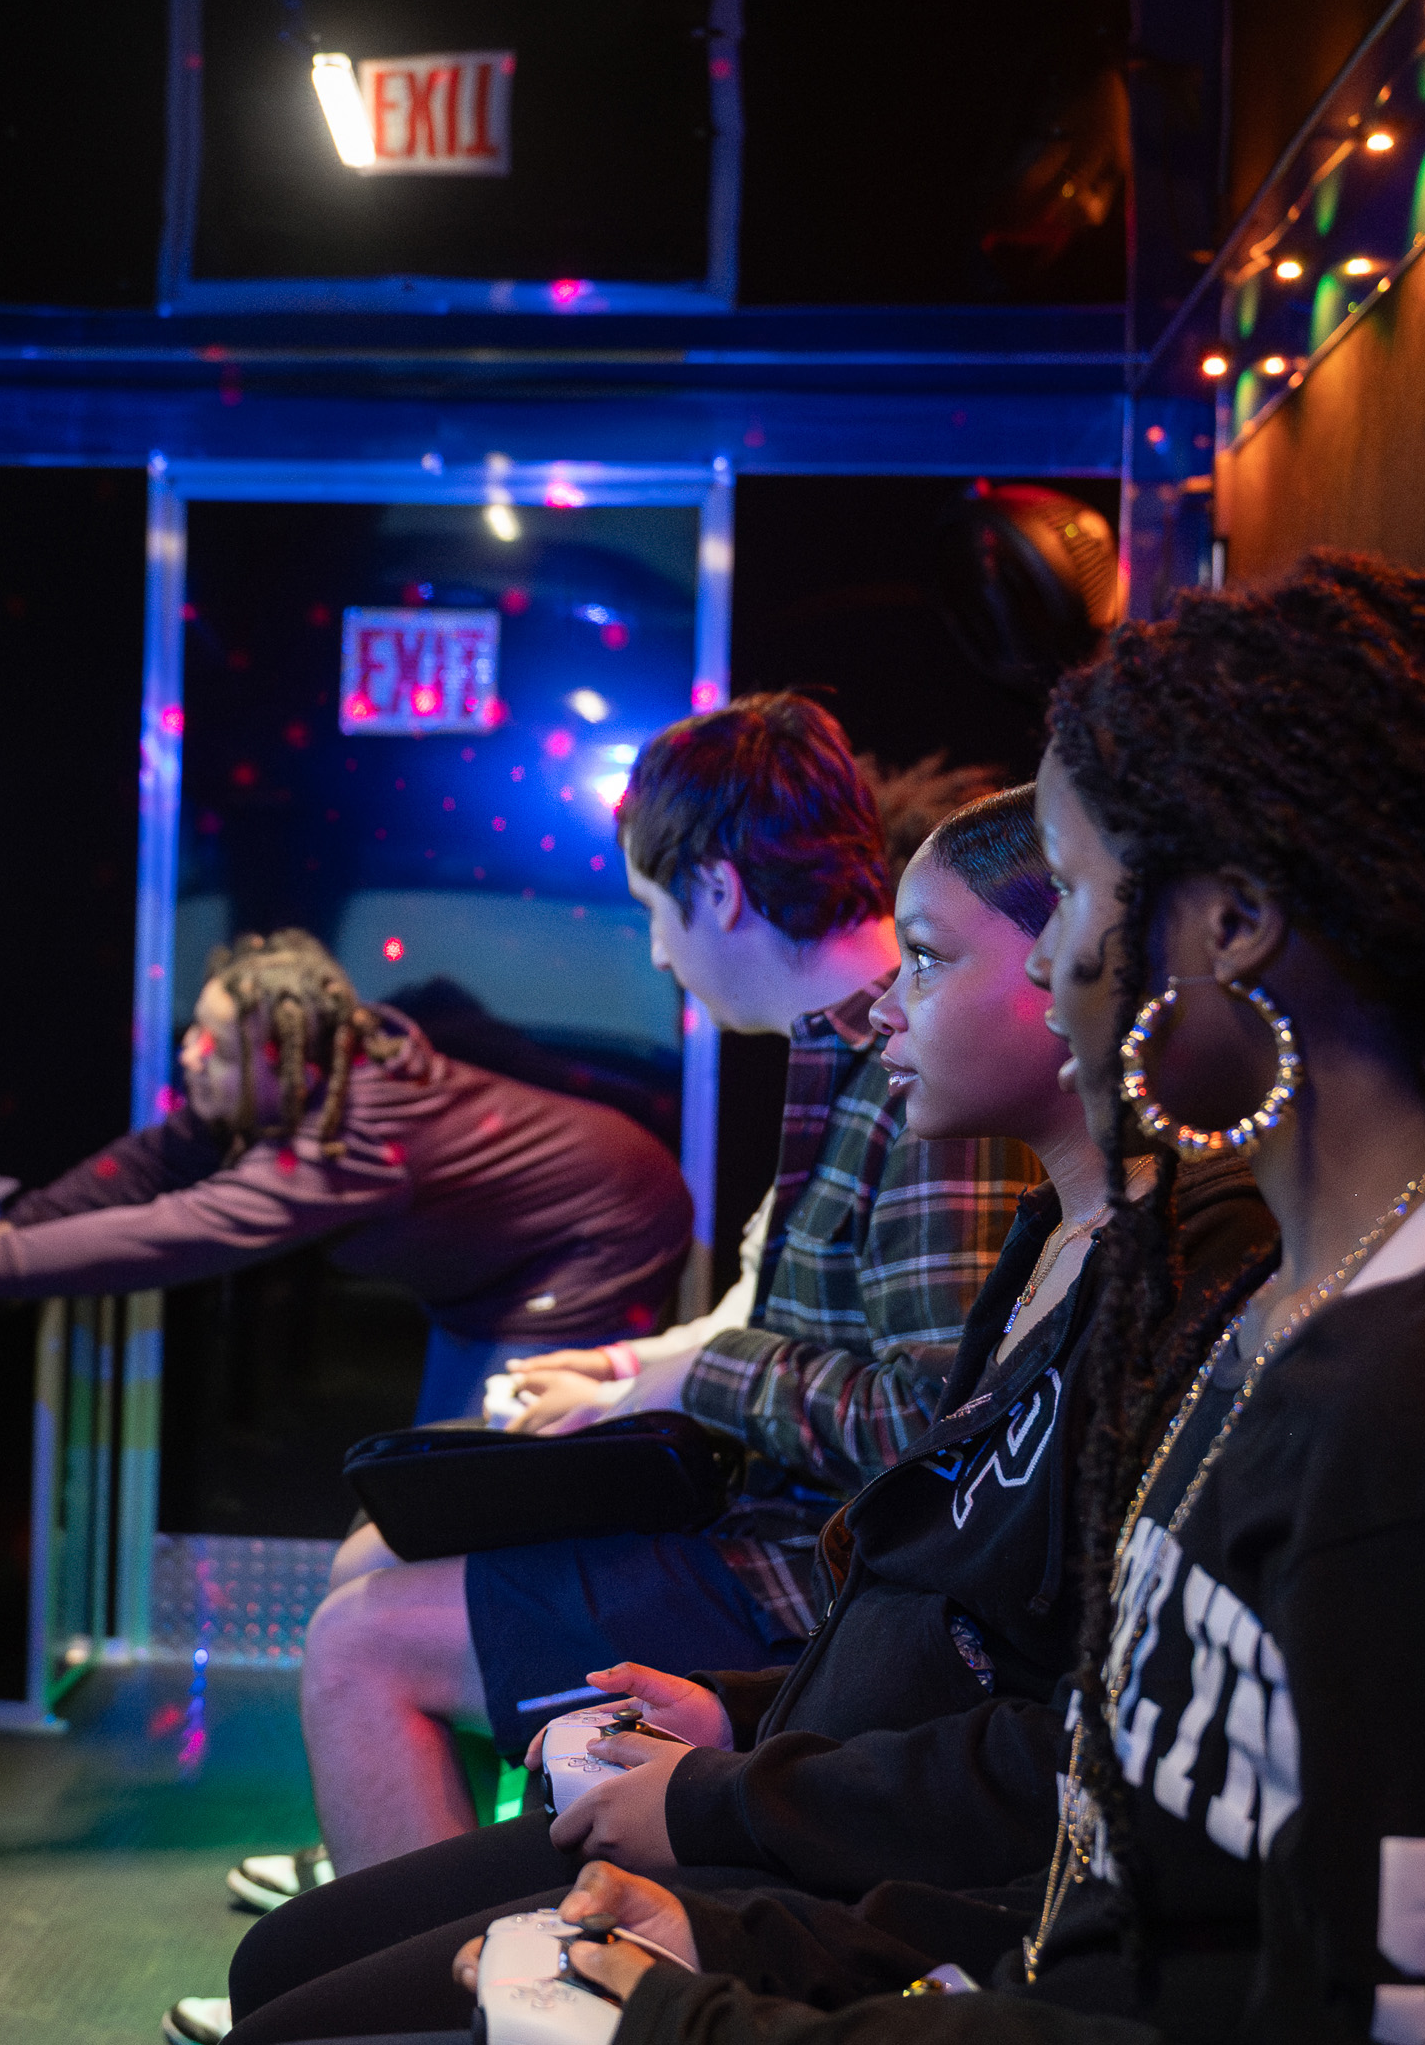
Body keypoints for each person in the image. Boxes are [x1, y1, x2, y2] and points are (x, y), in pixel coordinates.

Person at [504, 552, 1425, 2044]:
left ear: (1236, 924)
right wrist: (749, 1945)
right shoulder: (1284, 1304)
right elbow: (1119, 1880)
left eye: (1073, 889)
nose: (1051, 955)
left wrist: (701, 2025)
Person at [188, 789, 1274, 2045]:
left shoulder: (1181, 1279)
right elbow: (930, 1614)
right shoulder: (1049, 1232)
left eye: (926, 959)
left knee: (347, 1718)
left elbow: (1047, 1728)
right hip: (803, 1760)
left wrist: (722, 1793)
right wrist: (743, 1712)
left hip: (846, 1823)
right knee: (281, 1958)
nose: (884, 1004)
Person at [234, 696, 1040, 1913]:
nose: (658, 954)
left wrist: (677, 1376)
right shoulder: (841, 1056)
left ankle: (419, 1960)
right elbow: (790, 1330)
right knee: (381, 1539)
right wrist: (627, 1375)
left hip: (820, 1586)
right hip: (777, 1528)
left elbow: (938, 1429)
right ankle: (406, 1867)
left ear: (716, 889)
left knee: (358, 1642)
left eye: (654, 911)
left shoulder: (919, 1081)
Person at [0, 931, 692, 1417]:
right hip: (510, 1261)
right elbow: (143, 1168)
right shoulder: (298, 1084)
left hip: (603, 1231)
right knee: (447, 1477)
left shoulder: (349, 1139)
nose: (188, 1053)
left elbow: (175, 1230)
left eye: (215, 1044)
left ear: (289, 1065)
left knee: (484, 1493)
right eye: (194, 1029)